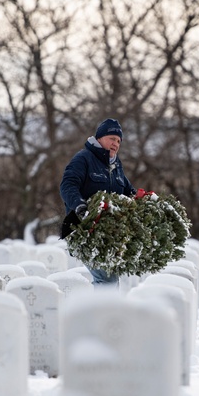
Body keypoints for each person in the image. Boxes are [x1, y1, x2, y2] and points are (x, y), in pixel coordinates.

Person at [59, 118, 137, 285]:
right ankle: (103, 310)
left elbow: (129, 191)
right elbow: (67, 185)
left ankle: (103, 310)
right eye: (112, 138)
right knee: (106, 278)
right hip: (83, 227)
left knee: (110, 277)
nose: (116, 143)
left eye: (118, 140)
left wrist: (144, 203)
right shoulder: (84, 158)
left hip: (110, 232)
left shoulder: (116, 165)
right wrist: (80, 205)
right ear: (100, 138)